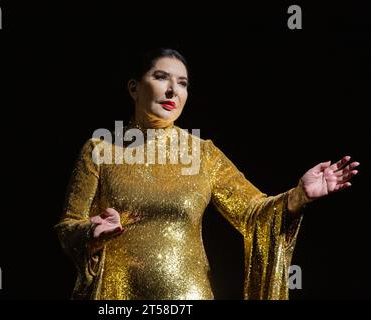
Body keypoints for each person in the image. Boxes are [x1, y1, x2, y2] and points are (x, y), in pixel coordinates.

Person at [54, 48, 359, 300]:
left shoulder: (203, 153)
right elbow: (68, 226)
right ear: (134, 87)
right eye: (161, 77)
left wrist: (298, 195)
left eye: (183, 83)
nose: (173, 90)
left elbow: (252, 212)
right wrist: (90, 234)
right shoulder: (101, 149)